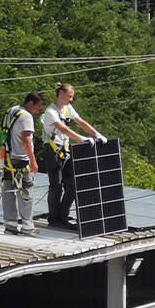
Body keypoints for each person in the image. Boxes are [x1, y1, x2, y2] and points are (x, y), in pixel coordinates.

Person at [42, 83, 107, 229]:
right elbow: (63, 128)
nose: (71, 99)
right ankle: (54, 219)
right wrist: (81, 138)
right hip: (53, 152)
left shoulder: (67, 109)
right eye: (69, 96)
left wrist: (96, 134)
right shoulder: (51, 112)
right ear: (61, 94)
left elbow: (80, 122)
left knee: (72, 185)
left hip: (66, 151)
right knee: (56, 186)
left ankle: (63, 217)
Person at [0, 92, 45, 236]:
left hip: (7, 158)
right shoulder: (26, 116)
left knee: (8, 191)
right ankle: (27, 227)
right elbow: (26, 140)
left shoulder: (11, 111)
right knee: (26, 192)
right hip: (21, 159)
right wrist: (33, 161)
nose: (38, 112)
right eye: (38, 108)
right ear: (31, 103)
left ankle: (10, 226)